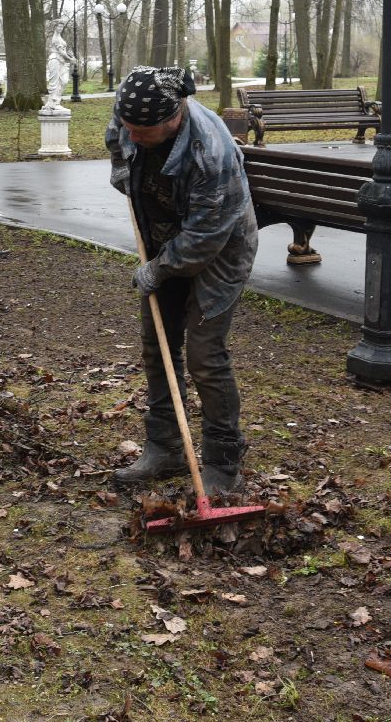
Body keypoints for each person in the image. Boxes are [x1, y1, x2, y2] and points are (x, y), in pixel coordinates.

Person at [104, 66, 259, 495]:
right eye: (129, 126)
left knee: (206, 356)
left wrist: (159, 268)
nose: (133, 136)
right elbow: (117, 138)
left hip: (219, 248)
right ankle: (166, 445)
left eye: (143, 131)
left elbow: (205, 237)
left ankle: (223, 464)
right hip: (163, 233)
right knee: (158, 345)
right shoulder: (134, 109)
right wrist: (122, 170)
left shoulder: (211, 153)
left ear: (174, 118)